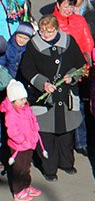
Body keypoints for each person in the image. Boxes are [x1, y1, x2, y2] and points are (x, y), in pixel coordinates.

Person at [18, 15, 87, 182]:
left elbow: (80, 64)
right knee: (46, 136)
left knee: (66, 134)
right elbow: (27, 69)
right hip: (44, 100)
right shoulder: (34, 46)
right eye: (42, 31)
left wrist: (72, 76)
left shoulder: (69, 42)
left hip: (66, 97)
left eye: (49, 31)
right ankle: (49, 169)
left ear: (57, 29)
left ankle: (67, 163)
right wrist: (43, 84)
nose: (45, 35)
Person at [2, 81, 43, 201]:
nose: (24, 101)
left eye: (24, 98)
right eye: (20, 99)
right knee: (19, 169)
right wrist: (22, 140)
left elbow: (33, 120)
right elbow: (12, 131)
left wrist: (35, 130)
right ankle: (18, 191)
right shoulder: (11, 114)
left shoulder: (26, 109)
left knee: (26, 166)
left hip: (29, 143)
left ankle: (26, 185)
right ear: (13, 100)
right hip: (19, 146)